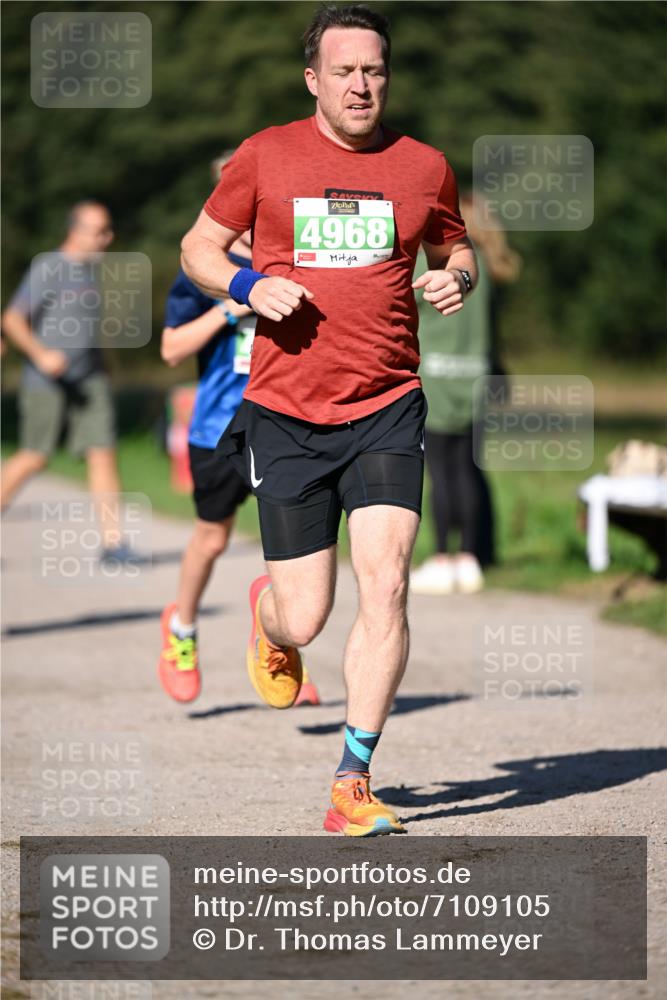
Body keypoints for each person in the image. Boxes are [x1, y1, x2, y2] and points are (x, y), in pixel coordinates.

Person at [181, 4, 476, 836]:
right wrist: (245, 287)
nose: (360, 85)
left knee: (384, 582)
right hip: (284, 412)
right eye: (344, 71)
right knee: (303, 614)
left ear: (388, 77)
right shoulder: (266, 155)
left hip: (386, 402)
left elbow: (455, 247)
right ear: (313, 79)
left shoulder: (423, 166)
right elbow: (196, 247)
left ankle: (352, 778)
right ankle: (267, 616)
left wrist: (461, 276)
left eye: (374, 71)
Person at [158, 154, 321, 707]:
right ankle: (181, 630)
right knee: (213, 537)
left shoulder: (299, 254)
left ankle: (278, 643)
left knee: (293, 546)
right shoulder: (204, 266)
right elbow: (171, 349)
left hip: (282, 420)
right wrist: (233, 305)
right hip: (217, 427)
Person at [1, 202, 130, 560]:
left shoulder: (91, 271)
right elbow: (12, 320)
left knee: (102, 452)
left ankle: (113, 543)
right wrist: (42, 355)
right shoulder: (50, 267)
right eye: (99, 231)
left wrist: (100, 367)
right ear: (75, 231)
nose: (107, 237)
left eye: (107, 230)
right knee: (34, 457)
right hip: (46, 380)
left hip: (89, 379)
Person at [411, 195, 521, 594]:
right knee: (467, 471)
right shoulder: (483, 273)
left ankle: (443, 557)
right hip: (476, 379)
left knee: (440, 474)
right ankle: (471, 559)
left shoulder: (431, 264)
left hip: (436, 380)